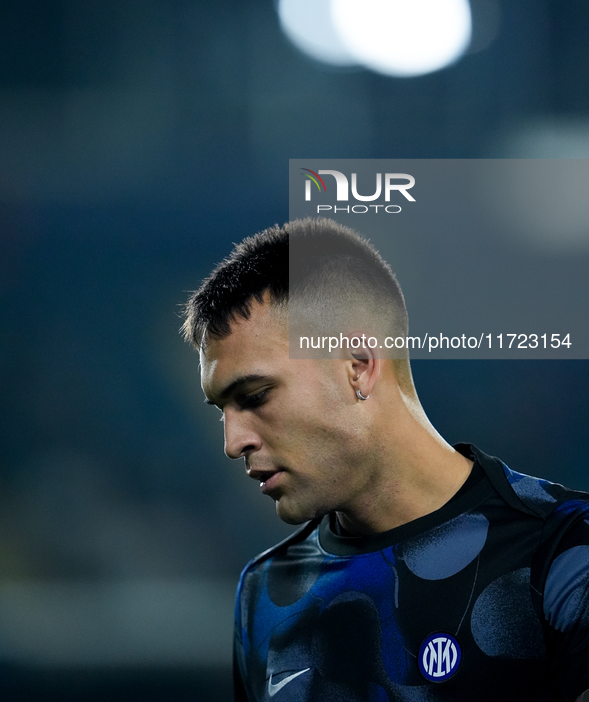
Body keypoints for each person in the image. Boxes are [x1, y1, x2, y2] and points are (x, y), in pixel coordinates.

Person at [181, 218, 589, 702]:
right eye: (220, 411)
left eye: (254, 395)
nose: (233, 442)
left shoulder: (563, 552)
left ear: (359, 365)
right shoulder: (266, 591)